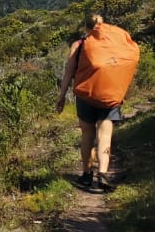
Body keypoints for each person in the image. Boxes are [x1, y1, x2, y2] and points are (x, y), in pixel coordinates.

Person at [56, 13, 133, 192]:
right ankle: (103, 174)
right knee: (105, 137)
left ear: (86, 27)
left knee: (87, 135)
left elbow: (68, 73)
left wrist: (61, 97)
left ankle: (87, 174)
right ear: (103, 25)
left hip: (86, 96)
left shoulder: (80, 45)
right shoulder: (114, 46)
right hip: (110, 98)